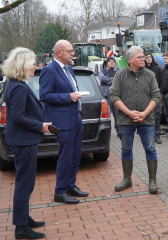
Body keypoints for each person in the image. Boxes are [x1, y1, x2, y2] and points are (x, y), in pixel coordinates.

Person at [3, 47, 51, 239]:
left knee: (26, 182)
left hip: (24, 139)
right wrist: (41, 126)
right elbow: (18, 118)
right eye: (32, 63)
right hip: (24, 141)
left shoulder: (15, 84)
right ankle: (21, 228)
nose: (35, 67)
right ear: (23, 65)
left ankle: (24, 218)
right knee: (25, 183)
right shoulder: (18, 87)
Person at [40, 40, 89, 204]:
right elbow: (44, 96)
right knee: (66, 156)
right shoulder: (49, 70)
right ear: (59, 52)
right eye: (69, 51)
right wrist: (68, 97)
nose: (72, 53)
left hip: (75, 117)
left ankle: (70, 185)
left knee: (75, 154)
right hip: (62, 121)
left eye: (72, 51)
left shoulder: (68, 69)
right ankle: (60, 191)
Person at [110, 46, 161, 194]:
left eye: (143, 57)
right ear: (130, 59)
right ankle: (127, 179)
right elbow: (114, 96)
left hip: (147, 119)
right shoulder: (120, 75)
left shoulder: (150, 75)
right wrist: (130, 113)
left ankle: (152, 181)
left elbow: (156, 96)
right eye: (140, 57)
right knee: (126, 149)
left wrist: (144, 113)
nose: (143, 59)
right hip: (126, 120)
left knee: (150, 148)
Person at [145, 52, 164, 144]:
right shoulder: (143, 70)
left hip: (155, 96)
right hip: (145, 97)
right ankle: (149, 135)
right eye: (146, 57)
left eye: (149, 57)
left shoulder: (158, 69)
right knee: (148, 116)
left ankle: (157, 135)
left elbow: (161, 82)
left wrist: (158, 93)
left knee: (156, 117)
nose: (148, 59)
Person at [99, 57, 120, 132]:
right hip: (106, 95)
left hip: (116, 96)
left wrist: (108, 80)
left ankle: (118, 130)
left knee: (117, 114)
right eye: (110, 61)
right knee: (106, 115)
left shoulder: (118, 71)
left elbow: (119, 79)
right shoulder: (102, 71)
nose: (112, 63)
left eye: (113, 62)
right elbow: (102, 79)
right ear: (107, 63)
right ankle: (106, 130)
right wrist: (113, 79)